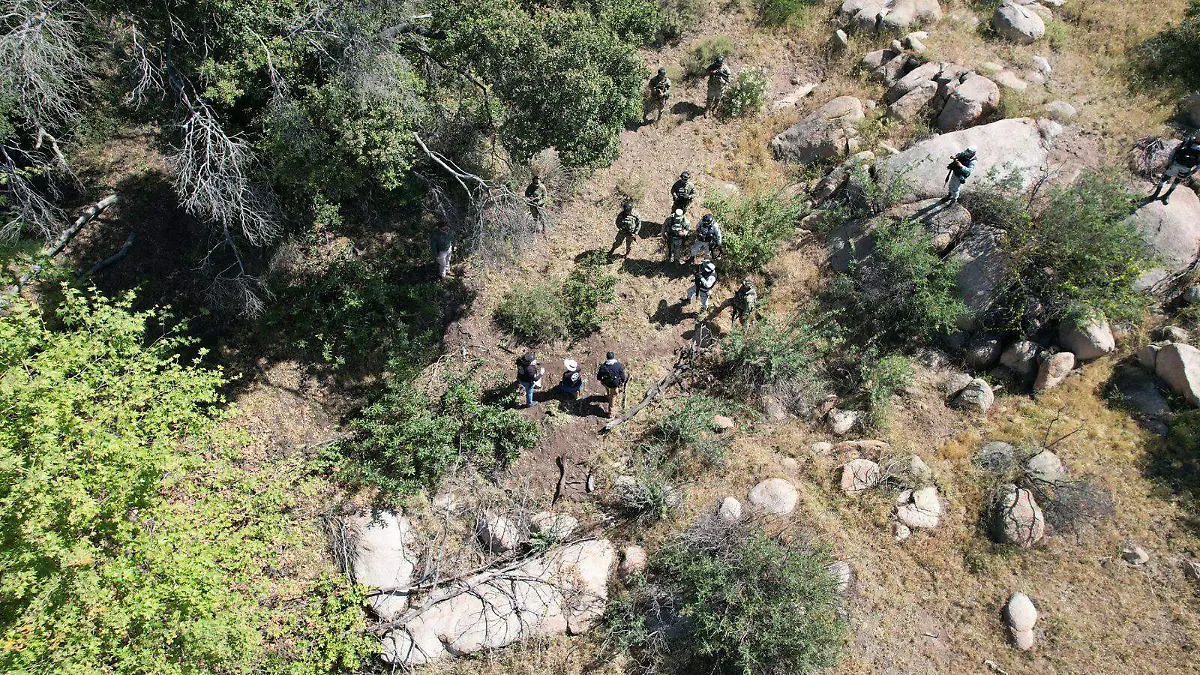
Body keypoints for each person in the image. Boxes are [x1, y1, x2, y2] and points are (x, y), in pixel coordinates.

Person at [1152, 136, 1200, 205]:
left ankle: (1166, 196)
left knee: (1176, 182)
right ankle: (1155, 194)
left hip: (1186, 168)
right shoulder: (1187, 141)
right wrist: (1170, 161)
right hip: (1176, 164)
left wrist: (1191, 172)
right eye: (1198, 137)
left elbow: (1199, 164)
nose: (1198, 138)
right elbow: (1175, 150)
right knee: (1165, 178)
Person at [596, 351, 628, 418]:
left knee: (608, 389)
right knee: (613, 397)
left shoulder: (603, 366)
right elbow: (623, 377)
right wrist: (621, 383)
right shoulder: (618, 365)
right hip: (614, 384)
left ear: (607, 357)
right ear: (613, 357)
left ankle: (607, 396)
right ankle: (611, 413)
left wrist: (603, 380)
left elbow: (598, 377)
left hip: (606, 383)